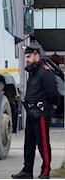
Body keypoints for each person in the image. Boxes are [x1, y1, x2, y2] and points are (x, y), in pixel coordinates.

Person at [12, 42, 60, 179]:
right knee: (29, 144)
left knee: (43, 144)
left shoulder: (45, 72)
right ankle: (27, 170)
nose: (26, 59)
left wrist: (51, 107)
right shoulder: (33, 72)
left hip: (41, 113)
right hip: (31, 112)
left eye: (29, 56)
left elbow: (54, 94)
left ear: (37, 55)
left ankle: (45, 172)